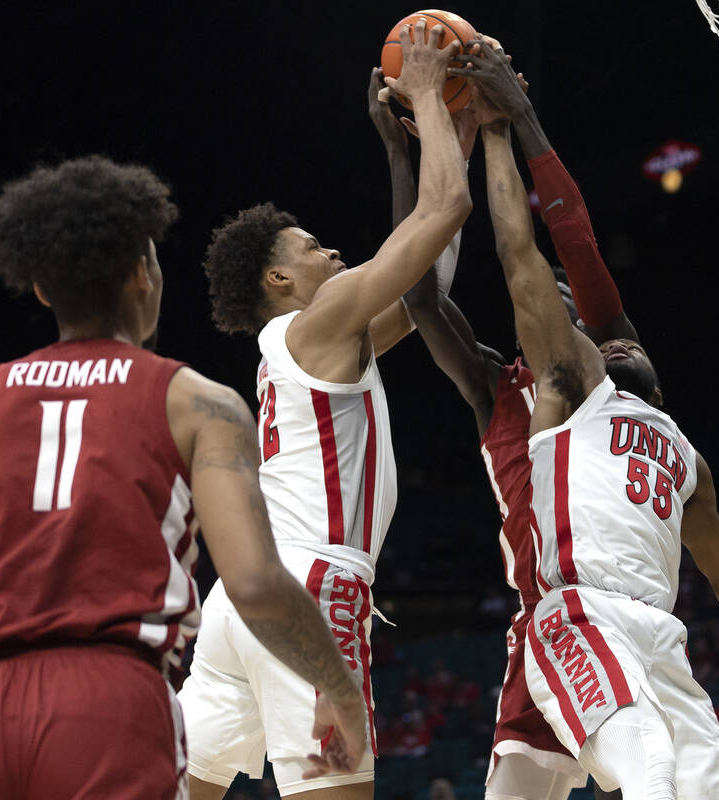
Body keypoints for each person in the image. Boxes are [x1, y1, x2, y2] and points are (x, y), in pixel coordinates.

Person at [458, 40, 719, 800]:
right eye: (603, 338)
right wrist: (503, 128)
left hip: (661, 639)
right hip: (580, 613)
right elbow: (524, 254)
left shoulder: (684, 456)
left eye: (624, 337)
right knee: (651, 772)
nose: (612, 336)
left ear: (657, 383)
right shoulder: (573, 386)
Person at [0, 156, 366, 799]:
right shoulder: (196, 401)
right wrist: (338, 689)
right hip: (108, 701)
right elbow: (252, 580)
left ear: (42, 289)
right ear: (144, 275)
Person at [179, 20, 472, 800]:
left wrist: (419, 142)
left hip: (238, 602)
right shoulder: (321, 321)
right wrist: (428, 97)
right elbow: (446, 210)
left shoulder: (306, 344)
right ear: (278, 279)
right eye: (312, 248)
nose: (333, 254)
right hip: (312, 589)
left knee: (185, 789)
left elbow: (425, 289)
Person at [370, 36, 634, 800]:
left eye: (557, 297)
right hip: (542, 628)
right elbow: (419, 299)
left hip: (620, 616)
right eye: (530, 297)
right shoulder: (496, 386)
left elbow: (573, 241)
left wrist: (518, 121)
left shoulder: (617, 366)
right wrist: (403, 151)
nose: (540, 304)